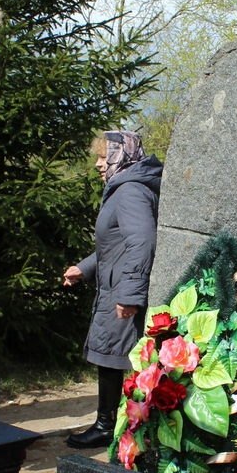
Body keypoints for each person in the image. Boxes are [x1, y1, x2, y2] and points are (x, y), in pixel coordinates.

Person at [64, 131, 163, 448]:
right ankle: (112, 424)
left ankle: (110, 428)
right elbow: (115, 242)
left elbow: (142, 242)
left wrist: (130, 296)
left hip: (122, 291)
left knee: (116, 358)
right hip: (114, 285)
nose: (97, 164)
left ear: (122, 157)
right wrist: (85, 268)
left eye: (103, 157)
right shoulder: (125, 189)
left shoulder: (130, 191)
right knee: (110, 356)